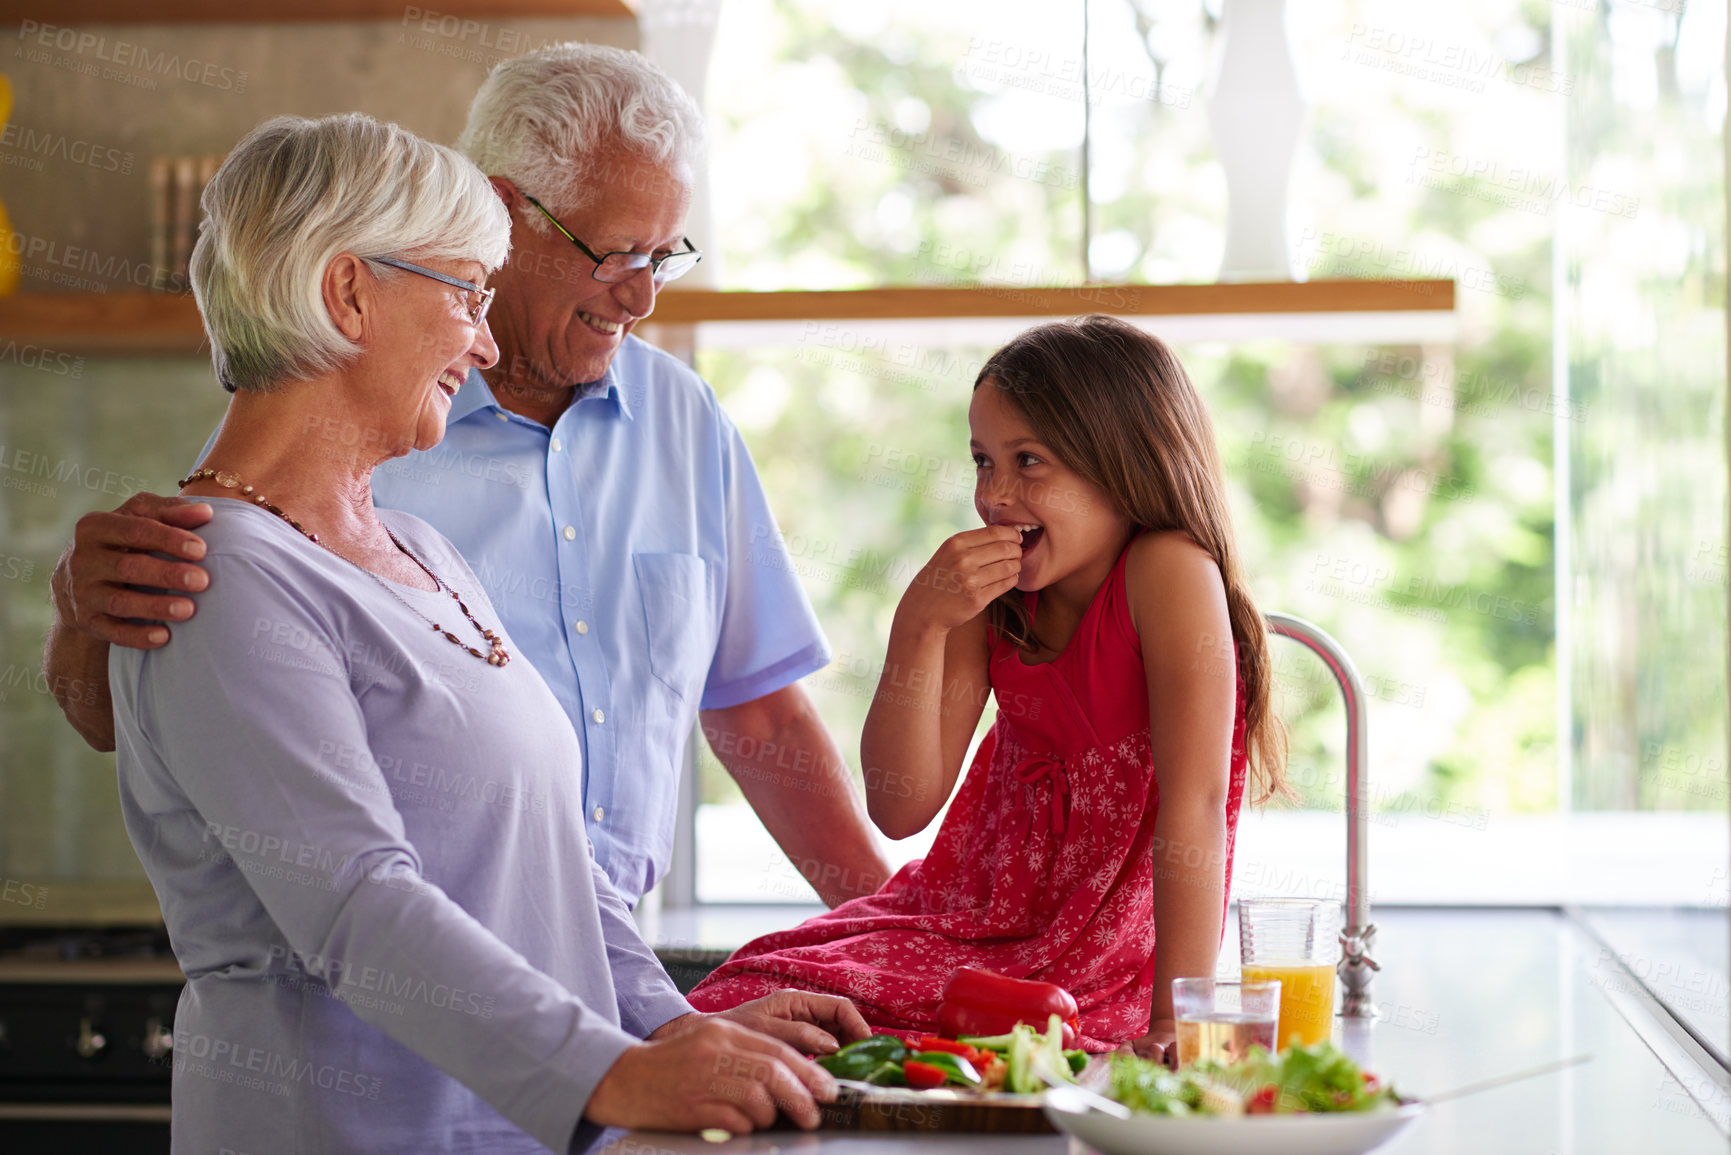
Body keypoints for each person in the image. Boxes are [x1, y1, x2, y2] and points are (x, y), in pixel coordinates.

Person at [115, 112, 864, 1154]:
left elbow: (554, 857)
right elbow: (355, 908)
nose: (487, 337)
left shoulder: (422, 547)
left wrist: (672, 1029)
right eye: (467, 291)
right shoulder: (226, 576)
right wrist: (617, 1071)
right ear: (349, 294)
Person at [42, 43, 890, 909]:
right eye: (617, 253)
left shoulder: (685, 420)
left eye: (664, 257)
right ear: (503, 210)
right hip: (405, 974)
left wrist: (899, 937)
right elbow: (134, 715)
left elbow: (760, 714)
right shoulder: (350, 425)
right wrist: (81, 620)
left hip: (610, 961)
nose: (643, 298)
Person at [687, 315, 1289, 1058]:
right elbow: (900, 805)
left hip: (1089, 953)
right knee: (740, 998)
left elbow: (1195, 809)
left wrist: (1176, 1021)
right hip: (962, 922)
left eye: (1028, 461)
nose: (995, 493)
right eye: (981, 461)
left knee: (1011, 1050)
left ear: (1121, 464)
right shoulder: (994, 596)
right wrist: (918, 624)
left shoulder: (1166, 571)